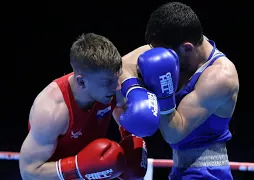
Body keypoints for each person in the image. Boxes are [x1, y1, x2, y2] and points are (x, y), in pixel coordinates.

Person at [121, 2, 239, 179]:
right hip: (180, 169)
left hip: (208, 173)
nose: (164, 59)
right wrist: (134, 90)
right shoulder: (174, 43)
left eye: (168, 55)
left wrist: (162, 92)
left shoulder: (221, 76)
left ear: (187, 47)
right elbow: (122, 64)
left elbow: (174, 133)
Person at [19, 33, 159, 180]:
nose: (118, 86)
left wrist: (130, 137)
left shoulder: (109, 86)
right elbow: (29, 172)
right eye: (109, 82)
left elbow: (120, 107)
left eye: (118, 78)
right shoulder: (51, 111)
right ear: (81, 82)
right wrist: (78, 167)